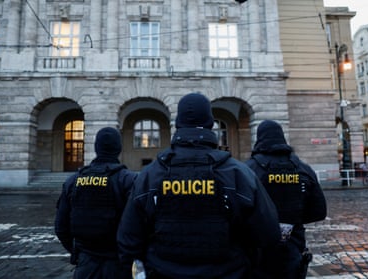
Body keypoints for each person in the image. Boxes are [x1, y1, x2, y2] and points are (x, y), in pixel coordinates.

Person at [117, 92, 281, 279]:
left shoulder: (149, 174)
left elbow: (128, 239)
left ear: (178, 123)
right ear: (210, 123)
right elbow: (268, 234)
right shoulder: (239, 173)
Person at [245, 120, 327, 279]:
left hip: (258, 250)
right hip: (293, 248)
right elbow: (319, 211)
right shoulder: (304, 169)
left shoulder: (249, 169)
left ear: (259, 138)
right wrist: (293, 220)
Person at [55, 127, 137, 279]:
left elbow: (61, 228)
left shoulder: (73, 181)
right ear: (119, 148)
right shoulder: (129, 180)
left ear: (96, 148)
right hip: (119, 264)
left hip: (85, 263)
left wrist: (78, 253)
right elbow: (140, 226)